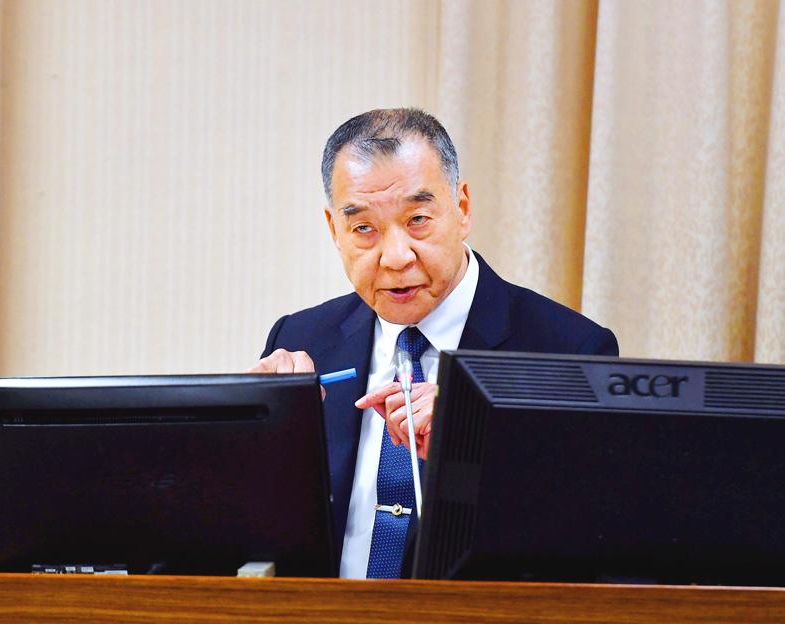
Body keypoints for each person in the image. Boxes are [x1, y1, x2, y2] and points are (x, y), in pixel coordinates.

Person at [249, 108, 618, 579]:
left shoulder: (569, 352)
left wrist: (472, 443)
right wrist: (249, 435)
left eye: (418, 219)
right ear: (333, 229)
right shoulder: (301, 339)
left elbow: (588, 543)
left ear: (462, 208)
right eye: (364, 229)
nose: (395, 256)